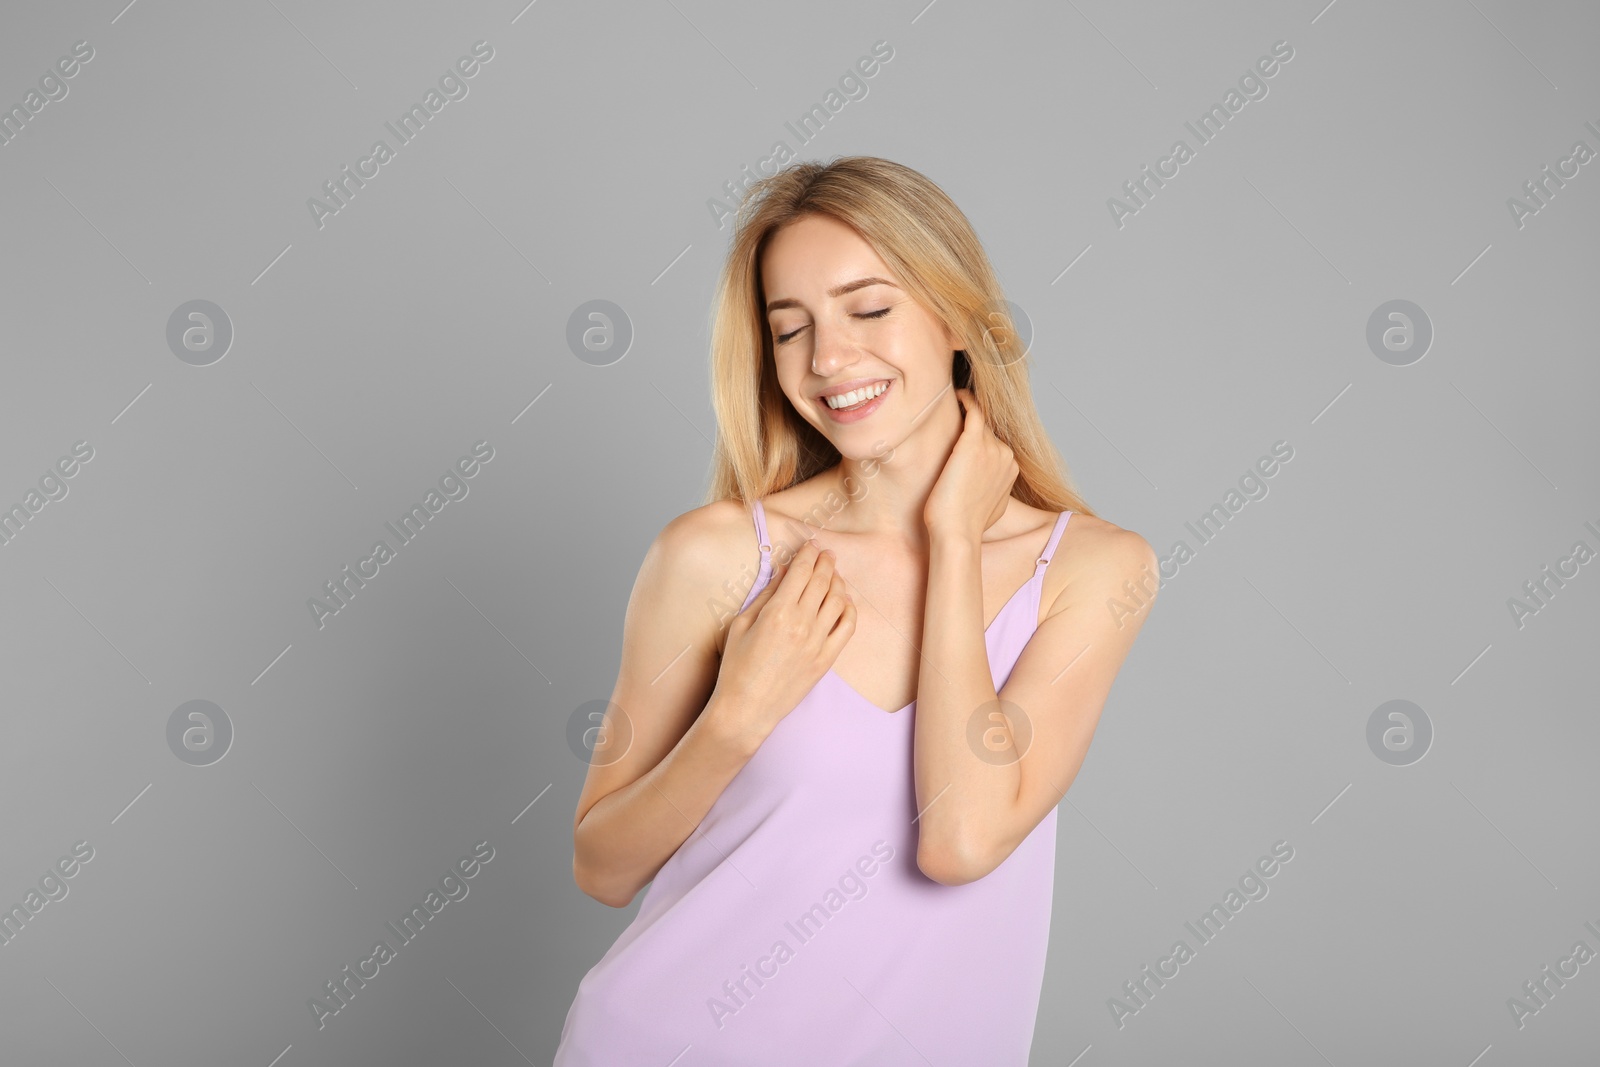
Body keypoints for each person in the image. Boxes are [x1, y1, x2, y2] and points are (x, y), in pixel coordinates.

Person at [554, 156, 1159, 1065]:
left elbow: (959, 839)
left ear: (956, 317)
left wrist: (952, 540)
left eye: (868, 309)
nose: (828, 359)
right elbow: (601, 866)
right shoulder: (716, 556)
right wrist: (739, 713)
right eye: (789, 328)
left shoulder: (1094, 570)